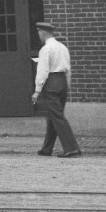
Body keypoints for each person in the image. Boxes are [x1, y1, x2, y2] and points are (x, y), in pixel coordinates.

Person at [33, 22, 81, 158]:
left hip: (51, 82)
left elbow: (43, 71)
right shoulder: (62, 47)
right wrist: (67, 85)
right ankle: (46, 148)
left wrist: (37, 90)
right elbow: (68, 69)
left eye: (39, 33)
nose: (39, 36)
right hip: (62, 82)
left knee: (57, 116)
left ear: (43, 33)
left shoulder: (46, 49)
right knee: (53, 115)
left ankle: (71, 148)